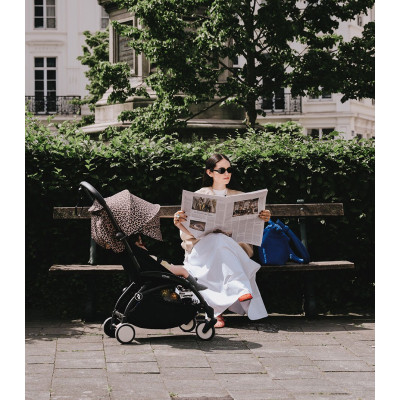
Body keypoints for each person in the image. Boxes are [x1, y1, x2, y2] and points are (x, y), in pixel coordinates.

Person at [173, 153, 271, 328]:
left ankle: (215, 312)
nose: (227, 173)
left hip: (232, 248)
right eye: (222, 170)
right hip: (203, 250)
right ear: (210, 172)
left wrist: (262, 217)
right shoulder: (199, 196)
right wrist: (179, 223)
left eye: (229, 169)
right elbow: (190, 234)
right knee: (217, 240)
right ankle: (240, 288)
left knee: (220, 241)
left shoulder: (240, 196)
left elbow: (249, 230)